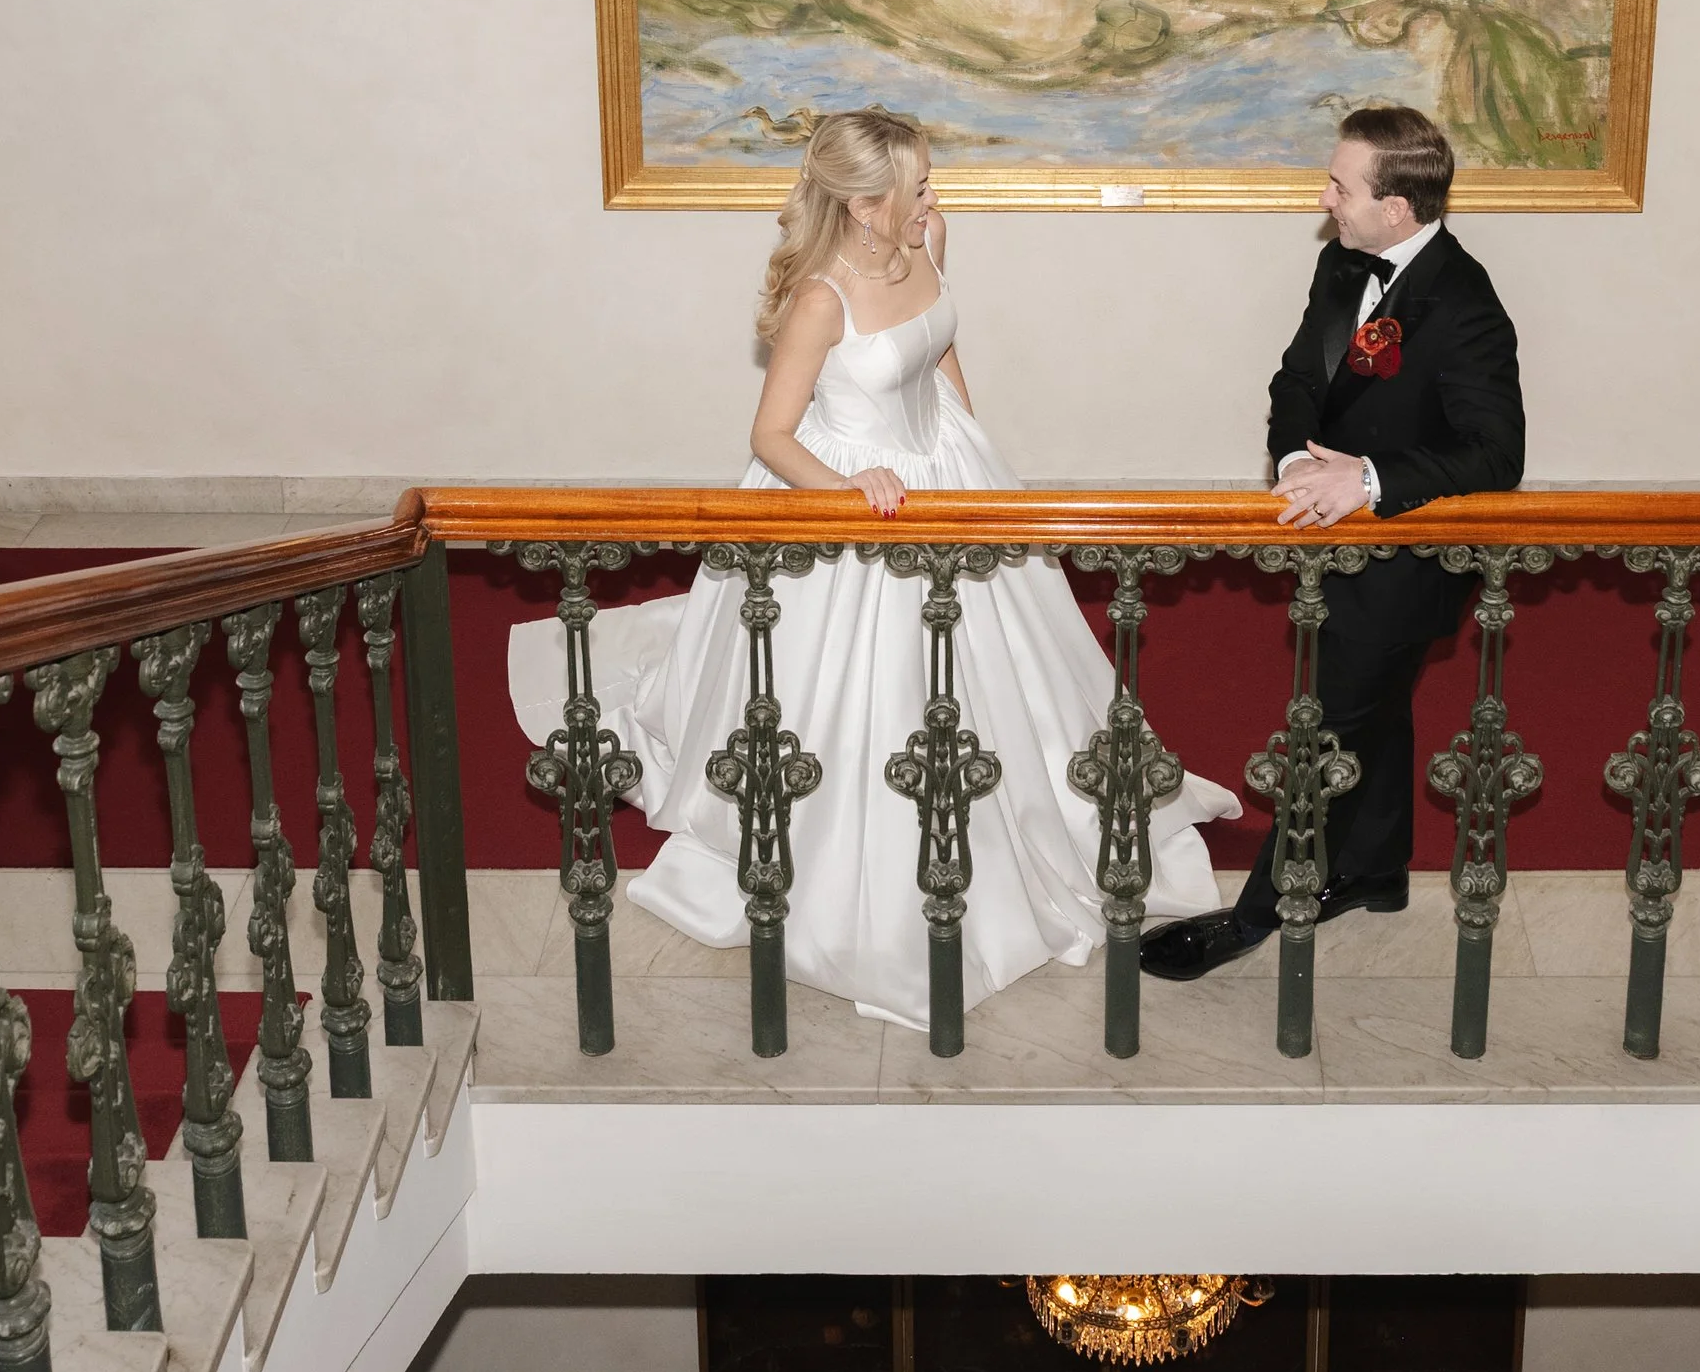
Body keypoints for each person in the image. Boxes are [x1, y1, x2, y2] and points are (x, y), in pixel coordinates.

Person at [506, 106, 1237, 1033]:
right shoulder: (822, 298)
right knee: (871, 694)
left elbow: (940, 352)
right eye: (918, 186)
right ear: (862, 205)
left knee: (1015, 684)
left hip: (944, 478)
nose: (935, 197)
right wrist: (851, 491)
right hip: (853, 491)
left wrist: (981, 473)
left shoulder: (923, 240)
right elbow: (771, 435)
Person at [1139, 101, 1526, 983]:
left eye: (1339, 186)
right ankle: (1375, 870)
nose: (1325, 199)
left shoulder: (1465, 307)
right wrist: (1289, 460)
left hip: (1408, 560)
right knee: (1378, 706)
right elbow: (1297, 380)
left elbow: (1497, 453)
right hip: (1335, 548)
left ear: (1397, 208)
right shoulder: (1339, 264)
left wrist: (1369, 481)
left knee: (1331, 726)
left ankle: (1251, 918)